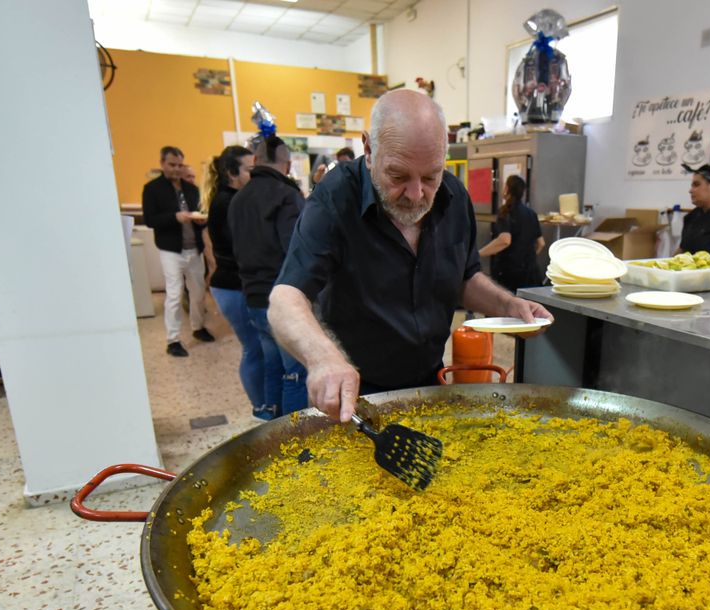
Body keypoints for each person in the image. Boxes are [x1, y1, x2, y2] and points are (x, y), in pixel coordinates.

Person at [269, 88, 552, 422]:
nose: (417, 194)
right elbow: (285, 298)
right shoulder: (335, 199)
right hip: (356, 391)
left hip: (430, 379)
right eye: (398, 176)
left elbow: (464, 277)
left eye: (430, 176)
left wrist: (509, 306)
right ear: (370, 150)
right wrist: (322, 358)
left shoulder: (454, 197)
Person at [230, 135, 310, 416]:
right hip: (281, 301)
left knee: (272, 366)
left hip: (252, 296)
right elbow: (297, 252)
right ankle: (296, 442)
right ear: (287, 164)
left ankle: (270, 426)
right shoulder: (286, 196)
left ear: (255, 160)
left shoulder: (238, 198)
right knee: (296, 373)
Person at [204, 145, 274, 419]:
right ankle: (260, 408)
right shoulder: (227, 202)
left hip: (236, 285)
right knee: (254, 348)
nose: (254, 174)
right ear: (232, 172)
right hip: (232, 286)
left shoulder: (236, 198)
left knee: (259, 347)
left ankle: (265, 405)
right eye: (249, 169)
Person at [142, 146, 210, 356]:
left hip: (194, 248)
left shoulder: (191, 189)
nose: (177, 169)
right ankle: (173, 340)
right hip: (171, 250)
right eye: (172, 165)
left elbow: (199, 212)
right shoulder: (153, 189)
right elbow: (150, 220)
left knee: (198, 291)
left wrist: (201, 220)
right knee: (174, 293)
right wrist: (174, 217)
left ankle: (198, 327)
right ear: (163, 164)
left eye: (180, 165)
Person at [478, 174, 545, 292]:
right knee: (529, 308)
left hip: (509, 273)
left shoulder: (505, 212)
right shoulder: (531, 213)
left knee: (508, 308)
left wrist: (480, 253)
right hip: (531, 273)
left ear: (507, 189)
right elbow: (541, 243)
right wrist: (526, 258)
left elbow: (504, 240)